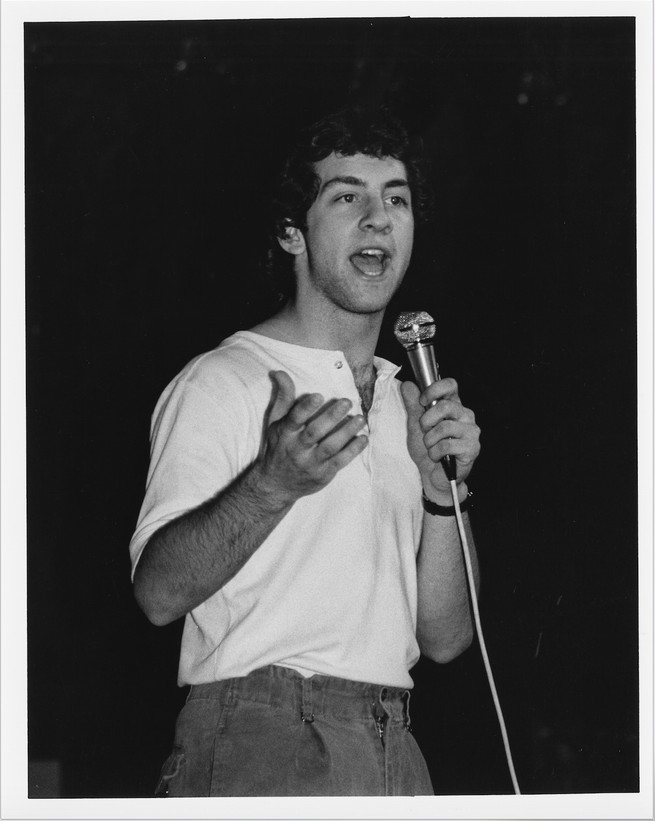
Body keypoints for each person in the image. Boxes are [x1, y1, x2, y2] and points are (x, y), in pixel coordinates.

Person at [129, 107, 481, 797]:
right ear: (292, 232)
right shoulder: (225, 379)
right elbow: (158, 594)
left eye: (397, 200)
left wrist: (444, 493)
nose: (379, 218)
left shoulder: (404, 397)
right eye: (348, 196)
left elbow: (444, 638)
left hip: (395, 745)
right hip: (264, 735)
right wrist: (271, 481)